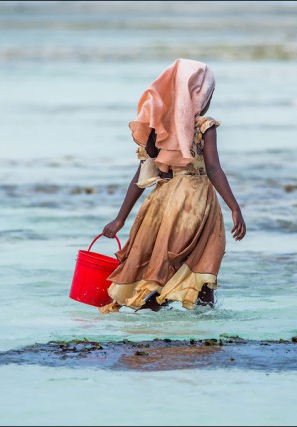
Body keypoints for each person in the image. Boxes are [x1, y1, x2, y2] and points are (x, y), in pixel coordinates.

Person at [98, 58, 246, 313]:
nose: (209, 99)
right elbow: (212, 169)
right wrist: (234, 207)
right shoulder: (204, 126)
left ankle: (151, 334)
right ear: (198, 95)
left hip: (161, 205)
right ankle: (205, 334)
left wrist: (120, 219)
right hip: (196, 204)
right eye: (208, 93)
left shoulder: (159, 129)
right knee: (203, 268)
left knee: (157, 270)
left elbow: (142, 174)